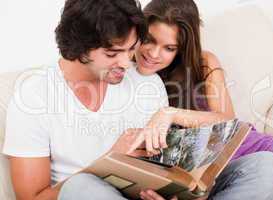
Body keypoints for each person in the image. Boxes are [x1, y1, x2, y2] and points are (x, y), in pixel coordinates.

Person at [132, 0, 273, 199]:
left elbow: (227, 119)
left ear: (182, 48)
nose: (153, 53)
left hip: (242, 145)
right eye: (149, 40)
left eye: (169, 48)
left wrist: (170, 114)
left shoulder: (203, 63)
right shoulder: (121, 70)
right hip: (198, 168)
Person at [2, 0, 168, 199]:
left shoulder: (146, 83)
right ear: (80, 47)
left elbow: (166, 170)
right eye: (112, 53)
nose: (126, 63)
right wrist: (109, 165)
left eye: (131, 49)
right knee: (80, 185)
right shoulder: (34, 96)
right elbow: (32, 198)